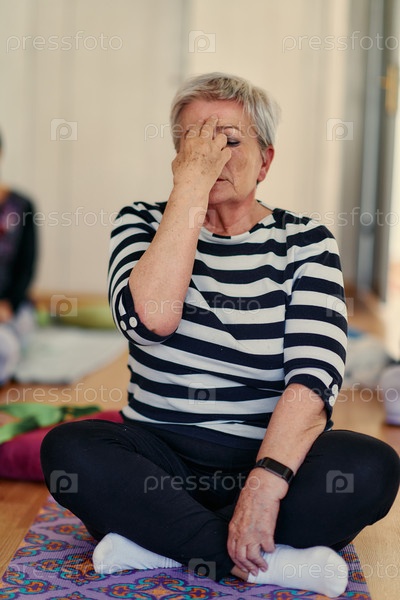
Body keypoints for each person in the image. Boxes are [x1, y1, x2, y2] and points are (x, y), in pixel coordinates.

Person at [41, 73, 400, 597]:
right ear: (177, 158)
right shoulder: (140, 222)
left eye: (228, 141)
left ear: (265, 161)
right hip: (160, 458)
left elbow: (314, 377)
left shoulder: (307, 242)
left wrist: (265, 484)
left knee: (371, 466)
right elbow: (151, 321)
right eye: (196, 143)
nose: (210, 157)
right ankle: (265, 560)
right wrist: (190, 191)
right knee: (69, 449)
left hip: (271, 457)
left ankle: (159, 544)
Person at [0, 130, 37, 385]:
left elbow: (27, 266)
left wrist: (8, 304)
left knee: (6, 347)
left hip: (11, 307)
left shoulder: (21, 206)